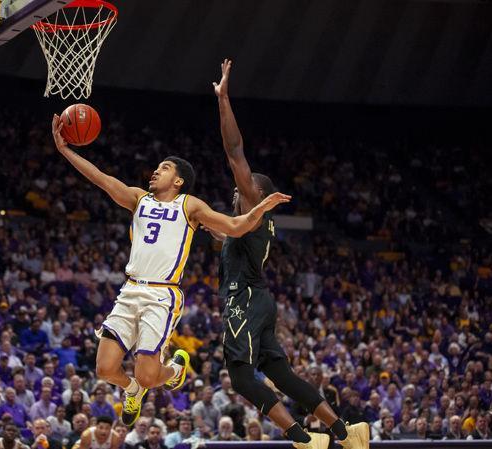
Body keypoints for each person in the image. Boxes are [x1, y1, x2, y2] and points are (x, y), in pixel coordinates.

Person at [51, 114, 291, 426]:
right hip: (131, 289)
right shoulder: (138, 198)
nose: (156, 170)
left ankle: (174, 370)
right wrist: (65, 150)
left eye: (164, 168)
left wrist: (261, 208)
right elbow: (100, 178)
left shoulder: (189, 206)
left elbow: (234, 226)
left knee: (151, 375)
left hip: (162, 295)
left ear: (178, 181)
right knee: (105, 369)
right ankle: (132, 389)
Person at [211, 58, 368, 449]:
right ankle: (345, 433)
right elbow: (220, 235)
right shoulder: (247, 227)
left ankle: (300, 438)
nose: (235, 192)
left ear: (256, 195)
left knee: (241, 377)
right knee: (281, 374)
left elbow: (234, 151)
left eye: (243, 190)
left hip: (244, 300)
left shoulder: (252, 208)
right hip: (260, 299)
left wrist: (224, 98)